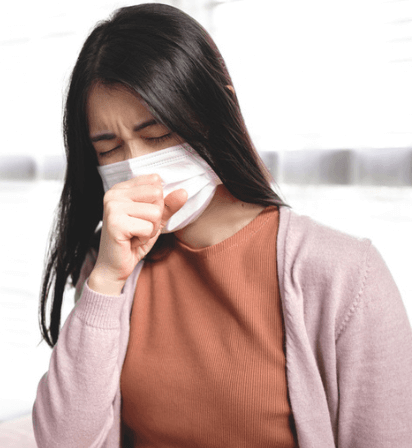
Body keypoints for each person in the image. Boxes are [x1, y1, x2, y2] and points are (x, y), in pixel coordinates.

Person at [32, 3, 412, 448]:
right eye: (109, 147)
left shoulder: (346, 273)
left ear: (219, 108)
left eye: (157, 135)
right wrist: (105, 283)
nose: (136, 168)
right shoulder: (111, 264)